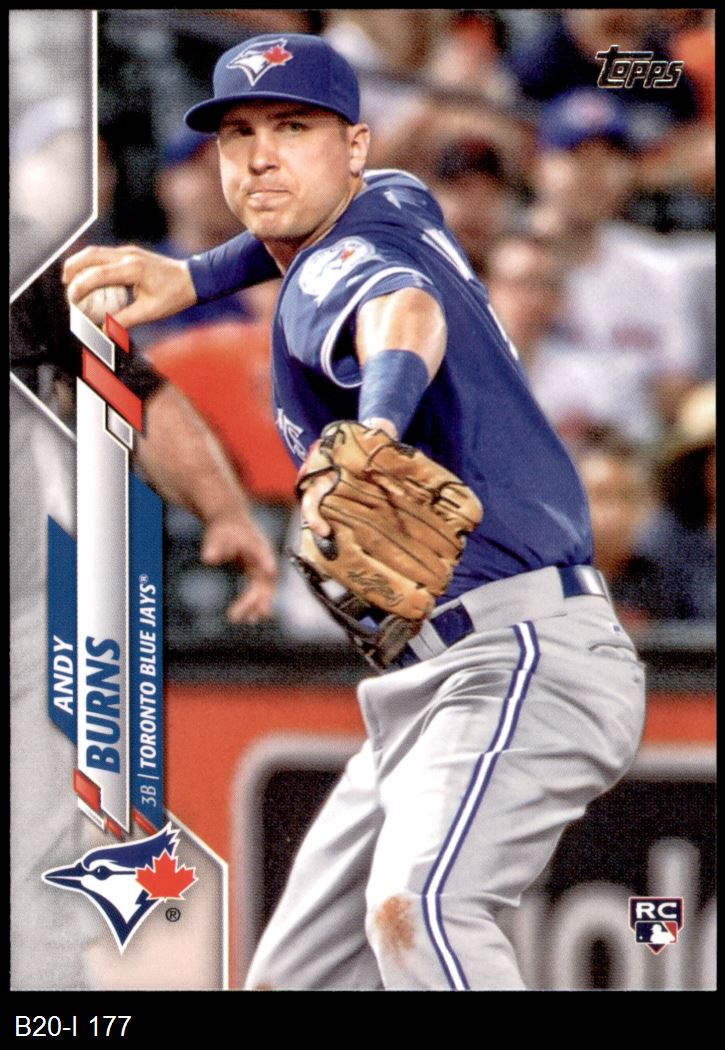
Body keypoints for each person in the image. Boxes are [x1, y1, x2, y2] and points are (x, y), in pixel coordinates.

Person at [63, 32, 647, 991]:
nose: (260, 156)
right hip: (447, 675)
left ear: (354, 144)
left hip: (516, 658)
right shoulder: (397, 201)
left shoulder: (335, 274)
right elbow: (320, 236)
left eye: (293, 128)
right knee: (293, 977)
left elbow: (401, 312)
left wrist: (376, 425)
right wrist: (196, 278)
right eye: (239, 132)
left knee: (420, 910)